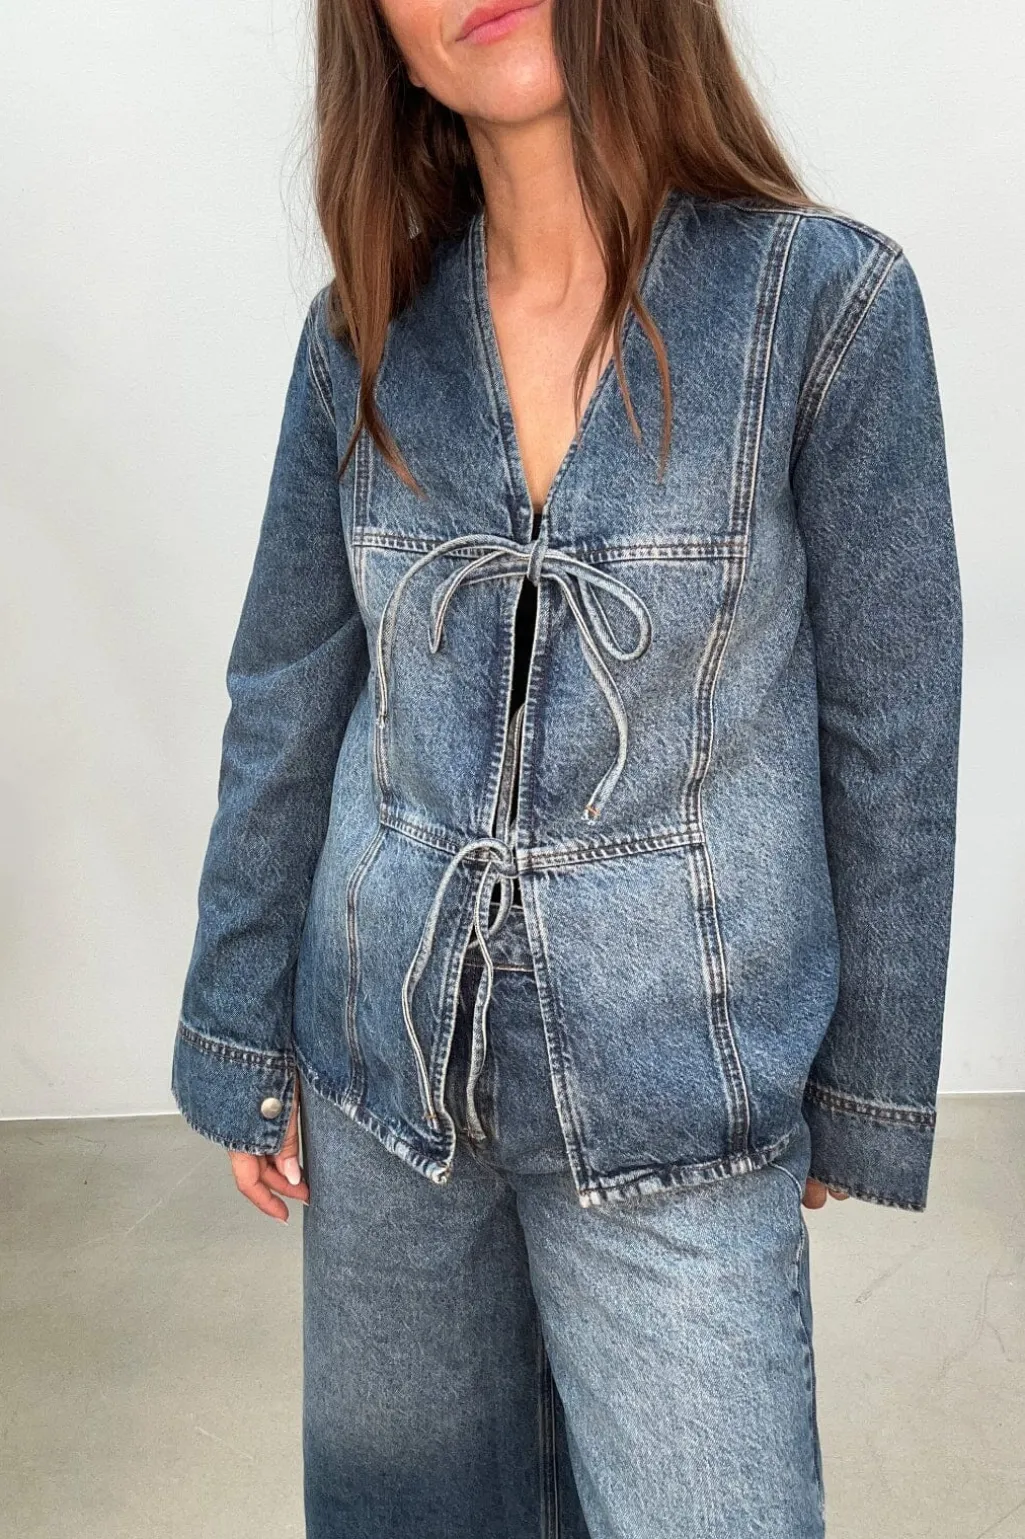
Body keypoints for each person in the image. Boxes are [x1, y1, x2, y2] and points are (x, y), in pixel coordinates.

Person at [170, 1, 963, 1534]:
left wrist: (862, 1085)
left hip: (682, 1096)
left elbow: (892, 732)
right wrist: (240, 1029)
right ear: (384, 42)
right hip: (385, 1087)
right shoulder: (363, 335)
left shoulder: (825, 309)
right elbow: (287, 693)